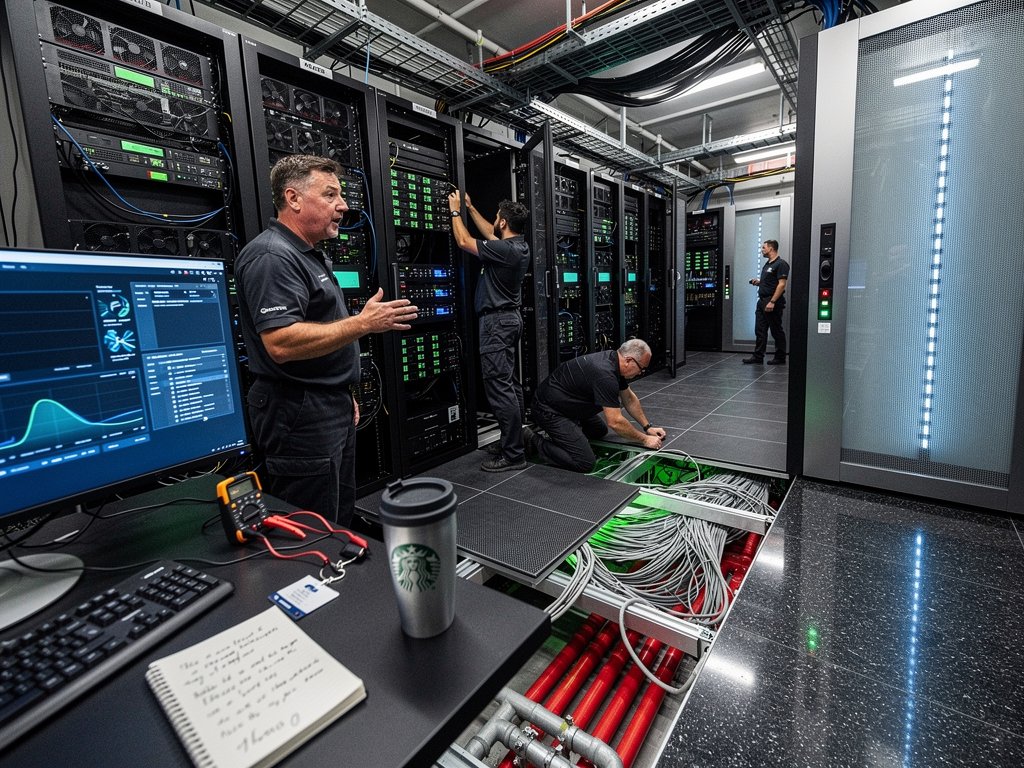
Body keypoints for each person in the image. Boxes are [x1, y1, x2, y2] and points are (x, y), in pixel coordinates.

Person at [235, 155, 418, 525]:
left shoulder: (308, 254)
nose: (344, 206)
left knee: (336, 510)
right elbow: (282, 343)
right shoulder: (272, 256)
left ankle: (335, 574)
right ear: (294, 198)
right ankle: (310, 579)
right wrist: (363, 324)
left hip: (323, 402)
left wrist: (341, 391)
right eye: (331, 194)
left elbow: (318, 337)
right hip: (298, 411)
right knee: (310, 519)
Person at [447, 189, 531, 472]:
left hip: (496, 323)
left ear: (504, 223)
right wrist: (471, 208)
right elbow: (489, 233)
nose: (494, 221)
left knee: (499, 387)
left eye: (497, 218)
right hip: (508, 320)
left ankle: (513, 455)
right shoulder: (516, 246)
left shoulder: (506, 250)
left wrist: (456, 210)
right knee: (510, 385)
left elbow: (463, 240)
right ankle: (514, 441)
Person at [525, 339, 666, 473]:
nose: (641, 373)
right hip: (549, 410)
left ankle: (567, 435)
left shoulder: (615, 361)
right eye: (641, 368)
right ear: (629, 360)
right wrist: (644, 439)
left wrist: (648, 427)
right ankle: (533, 440)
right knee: (584, 462)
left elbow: (629, 398)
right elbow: (615, 422)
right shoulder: (605, 375)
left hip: (569, 406)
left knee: (598, 430)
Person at [743, 239, 790, 365]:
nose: (762, 250)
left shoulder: (781, 264)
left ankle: (780, 357)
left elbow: (781, 285)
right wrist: (759, 282)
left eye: (764, 247)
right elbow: (770, 282)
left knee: (776, 330)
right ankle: (758, 356)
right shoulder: (767, 265)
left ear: (771, 248)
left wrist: (773, 301)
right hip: (762, 301)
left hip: (772, 301)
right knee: (760, 330)